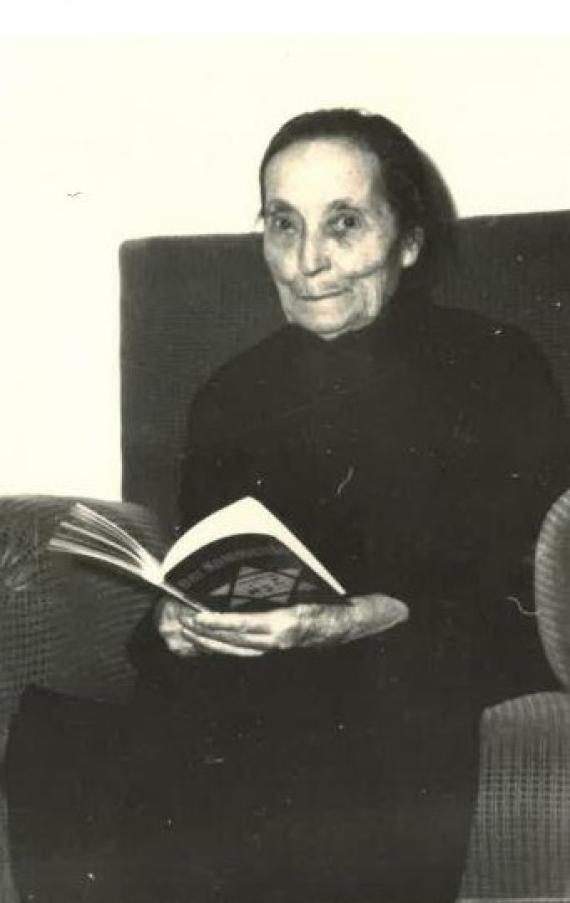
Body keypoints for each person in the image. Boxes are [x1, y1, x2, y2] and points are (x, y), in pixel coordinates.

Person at [6, 108, 569, 903]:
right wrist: (177, 623)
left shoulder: (496, 365)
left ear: (407, 240)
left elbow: (529, 596)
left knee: (324, 724)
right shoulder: (231, 395)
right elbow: (207, 567)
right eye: (283, 224)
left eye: (345, 223)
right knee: (75, 743)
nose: (308, 262)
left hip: (422, 662)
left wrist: (357, 618)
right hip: (260, 677)